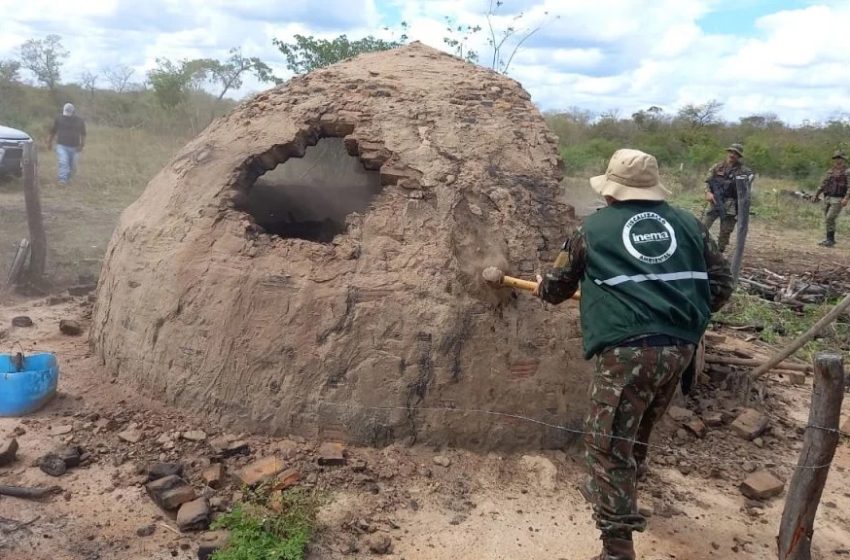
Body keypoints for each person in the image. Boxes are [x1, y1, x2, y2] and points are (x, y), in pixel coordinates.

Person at [535, 149, 733, 560]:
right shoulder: (690, 224)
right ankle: (625, 497)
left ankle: (617, 546)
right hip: (679, 349)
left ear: (611, 191)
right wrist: (683, 318)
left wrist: (542, 285)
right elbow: (722, 284)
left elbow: (555, 289)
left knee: (608, 445)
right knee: (638, 428)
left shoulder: (591, 230)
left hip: (628, 353)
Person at [702, 143, 753, 252]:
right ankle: (699, 248)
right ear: (727, 152)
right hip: (715, 200)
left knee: (725, 232)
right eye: (731, 152)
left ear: (739, 156)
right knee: (702, 227)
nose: (732, 155)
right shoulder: (717, 167)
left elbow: (746, 190)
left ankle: (719, 254)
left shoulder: (744, 171)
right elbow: (707, 181)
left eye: (736, 153)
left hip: (731, 205)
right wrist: (708, 193)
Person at [813, 150, 849, 247]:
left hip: (838, 198)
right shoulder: (831, 171)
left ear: (843, 159)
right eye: (836, 158)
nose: (838, 160)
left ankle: (830, 240)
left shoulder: (847, 172)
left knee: (830, 217)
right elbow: (823, 184)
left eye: (840, 158)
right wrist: (816, 194)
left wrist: (846, 198)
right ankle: (829, 239)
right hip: (828, 197)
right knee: (828, 219)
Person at [47, 103, 86, 185]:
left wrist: (82, 145)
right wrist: (49, 142)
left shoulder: (79, 120)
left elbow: (83, 133)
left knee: (73, 166)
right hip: (62, 145)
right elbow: (53, 131)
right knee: (63, 162)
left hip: (75, 147)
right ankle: (62, 180)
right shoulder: (59, 119)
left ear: (73, 112)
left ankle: (69, 178)